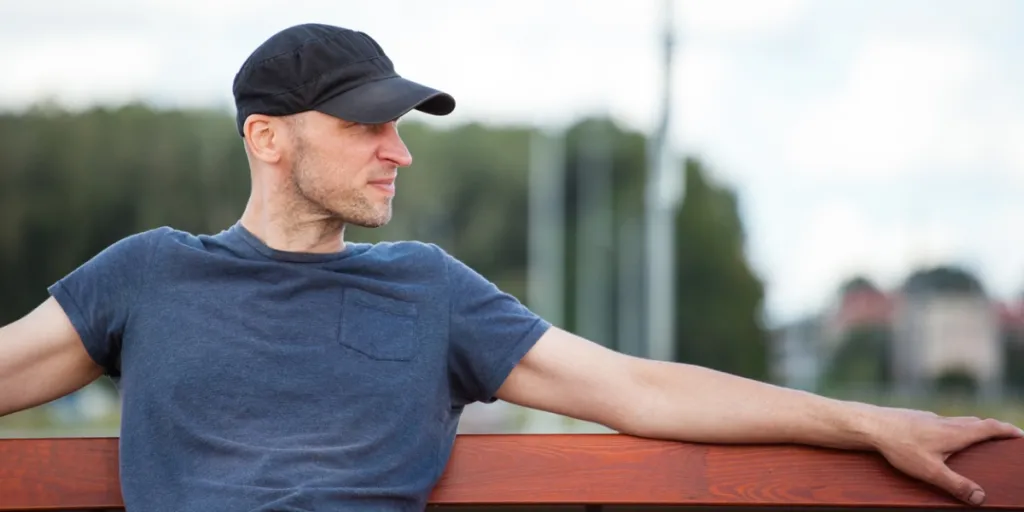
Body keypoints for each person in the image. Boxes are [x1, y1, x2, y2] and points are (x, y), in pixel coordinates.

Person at [0, 22, 1019, 512]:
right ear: (268, 139)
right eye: (365, 126)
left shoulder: (429, 291)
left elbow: (634, 386)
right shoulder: (148, 276)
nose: (396, 149)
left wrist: (870, 420)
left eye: (397, 127)